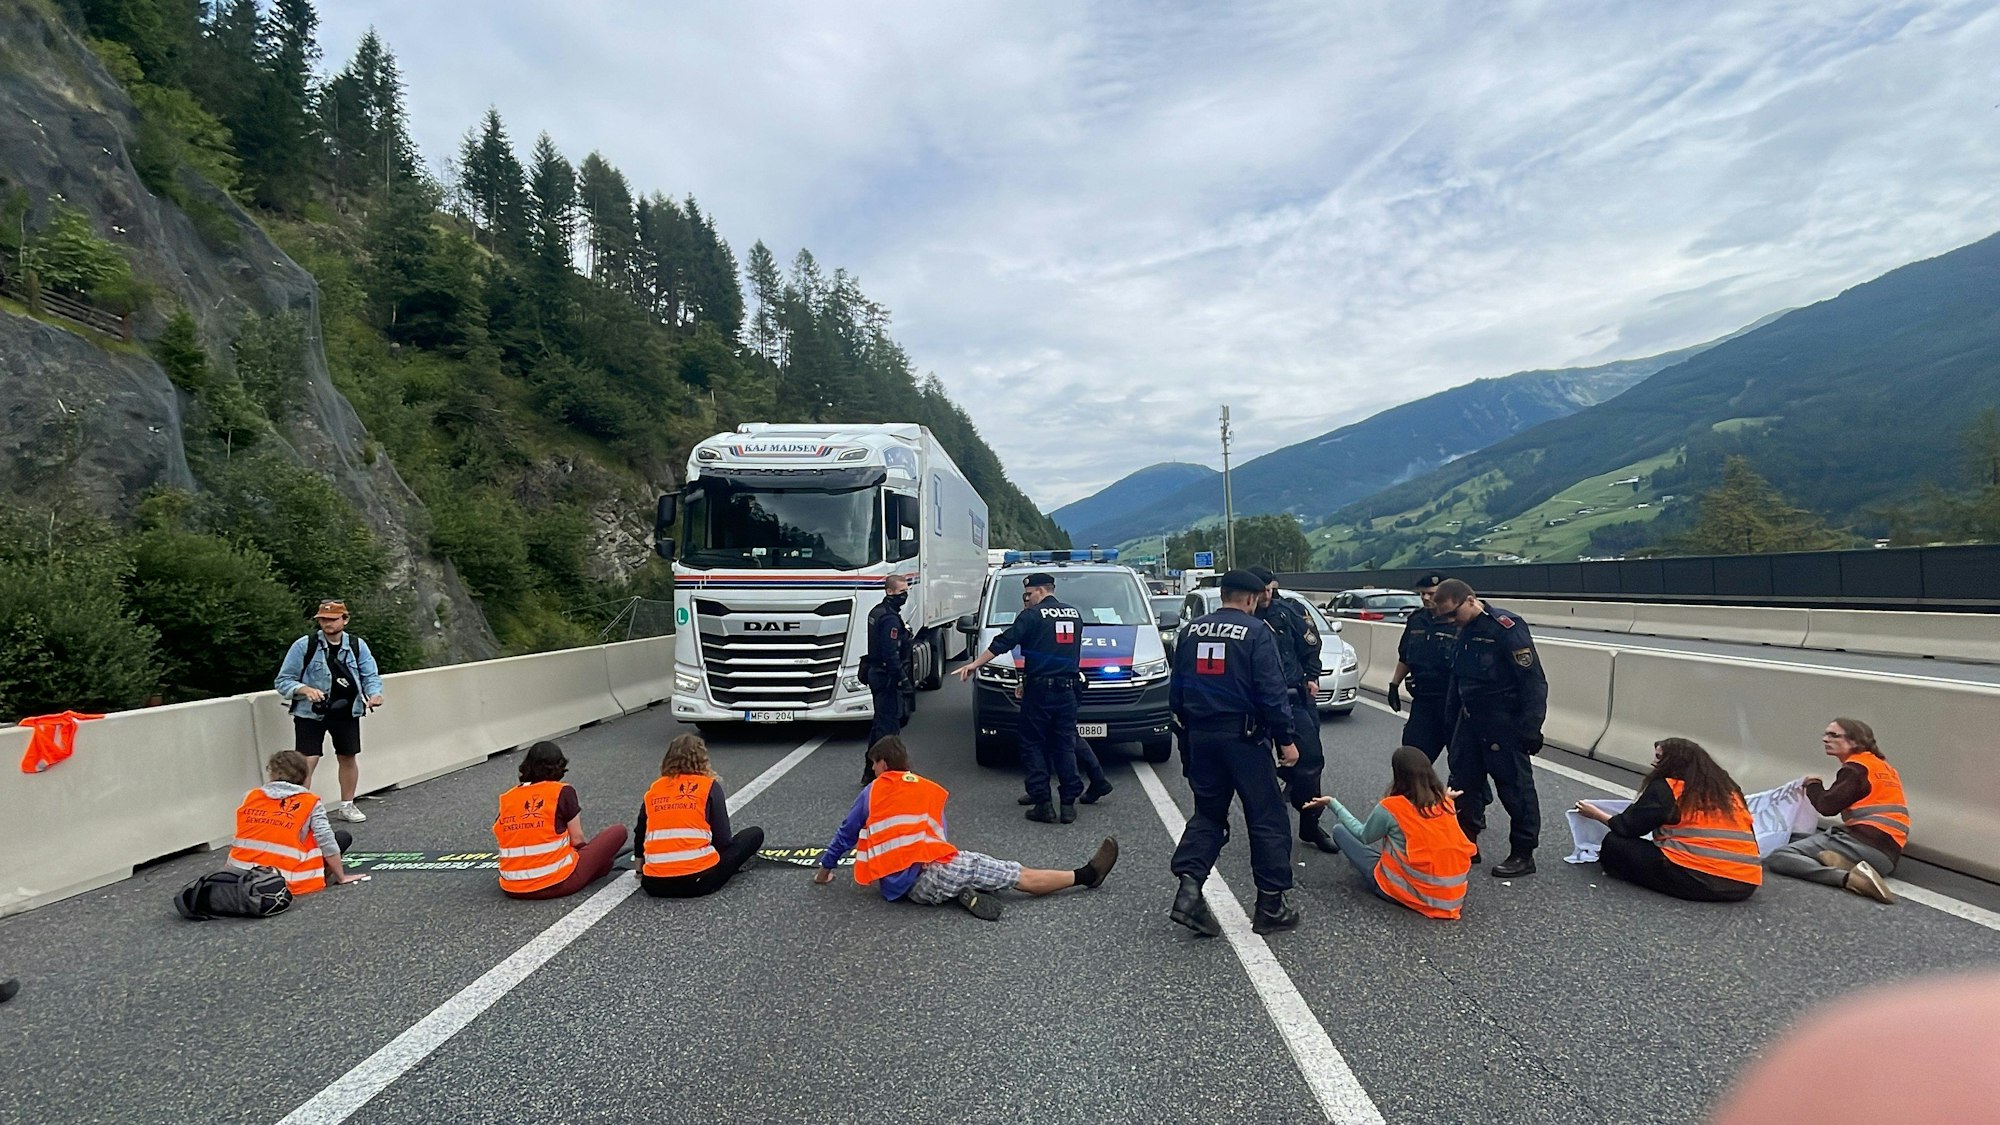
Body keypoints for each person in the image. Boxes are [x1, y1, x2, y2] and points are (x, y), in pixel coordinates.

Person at [811, 736, 1118, 920]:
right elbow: (940, 838)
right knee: (1014, 873)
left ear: (883, 763)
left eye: (873, 763)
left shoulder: (871, 792)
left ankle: (960, 891)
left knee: (975, 871)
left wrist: (824, 872)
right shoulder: (927, 789)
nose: (873, 769)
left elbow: (846, 834)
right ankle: (1086, 876)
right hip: (928, 874)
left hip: (896, 885)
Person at [1167, 569, 1304, 937]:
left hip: (1200, 736)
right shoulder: (1257, 632)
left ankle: (1189, 892)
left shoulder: (1190, 632)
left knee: (1209, 815)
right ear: (1250, 598)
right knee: (1267, 818)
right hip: (1243, 740)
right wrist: (1286, 739)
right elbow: (1271, 690)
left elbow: (1175, 690)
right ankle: (1271, 906)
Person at [1432, 578, 1547, 878]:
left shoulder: (1506, 629)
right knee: (1462, 785)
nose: (1450, 622)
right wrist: (1450, 723)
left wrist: (1531, 727)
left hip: (1503, 723)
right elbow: (1457, 682)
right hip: (1469, 721)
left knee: (1515, 789)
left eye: (1453, 614)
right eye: (1445, 618)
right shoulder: (1463, 631)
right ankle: (1467, 842)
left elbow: (1532, 681)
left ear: (1470, 600)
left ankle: (1523, 853)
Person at [957, 571, 1085, 823]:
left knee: (1033, 744)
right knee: (1064, 745)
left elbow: (1003, 642)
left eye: (1028, 594)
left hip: (1040, 692)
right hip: (1068, 690)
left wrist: (975, 665)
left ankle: (1043, 803)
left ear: (1040, 590)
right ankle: (1068, 804)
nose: (1027, 599)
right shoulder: (1074, 614)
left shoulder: (1032, 616)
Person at [1573, 737, 1761, 903]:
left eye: (1658, 757)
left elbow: (1627, 827)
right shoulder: (1729, 791)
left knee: (1615, 843)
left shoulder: (1669, 789)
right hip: (1745, 883)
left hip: (1701, 879)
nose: (1653, 762)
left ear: (1674, 762)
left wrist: (1595, 814)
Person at [1316, 745, 1476, 919]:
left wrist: (1332, 803)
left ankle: (1389, 881)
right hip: (1452, 898)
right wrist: (1446, 798)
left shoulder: (1392, 807)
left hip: (1406, 892)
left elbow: (1364, 835)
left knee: (1339, 831)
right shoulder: (1445, 803)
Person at [1763, 717, 1904, 904]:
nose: (1825, 739)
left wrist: (1813, 785)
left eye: (1833, 735)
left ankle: (1849, 878)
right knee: (1801, 840)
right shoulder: (1883, 767)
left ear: (1855, 741)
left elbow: (1827, 806)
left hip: (1860, 843)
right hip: (1887, 859)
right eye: (1825, 734)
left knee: (1780, 857)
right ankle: (1848, 865)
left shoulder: (1856, 769)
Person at [1248, 566, 1335, 854]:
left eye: (1269, 589)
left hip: (1291, 696)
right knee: (1256, 769)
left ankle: (1310, 823)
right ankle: (1268, 831)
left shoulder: (1288, 611)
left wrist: (1312, 675)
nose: (1266, 594)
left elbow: (1311, 644)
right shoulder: (1242, 618)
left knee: (1310, 760)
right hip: (1254, 702)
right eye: (1260, 590)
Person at [273, 600, 383, 824]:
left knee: (348, 756)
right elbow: (283, 681)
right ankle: (300, 809)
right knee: (306, 760)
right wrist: (304, 689)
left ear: (345, 619)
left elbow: (369, 674)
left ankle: (347, 805)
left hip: (346, 710)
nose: (327, 624)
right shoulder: (305, 645)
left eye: (332, 619)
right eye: (323, 619)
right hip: (311, 712)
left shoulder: (356, 645)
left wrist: (374, 694)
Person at [492, 741, 628, 900]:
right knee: (617, 832)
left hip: (512, 886)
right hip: (556, 883)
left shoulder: (508, 797)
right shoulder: (561, 791)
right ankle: (600, 868)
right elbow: (577, 839)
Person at [635, 733, 765, 898]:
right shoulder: (708, 786)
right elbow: (723, 840)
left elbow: (641, 831)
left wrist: (640, 870)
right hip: (699, 881)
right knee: (753, 834)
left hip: (654, 884)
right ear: (703, 759)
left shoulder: (655, 789)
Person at [228, 750, 364, 893]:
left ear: (272, 773)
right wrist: (341, 877)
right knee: (341, 837)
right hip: (287, 879)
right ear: (305, 775)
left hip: (240, 876)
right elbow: (326, 841)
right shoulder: (309, 802)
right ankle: (323, 873)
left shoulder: (250, 796)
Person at [1387, 573, 1458, 763]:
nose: (1426, 598)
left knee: (1464, 769)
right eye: (1423, 594)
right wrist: (1394, 684)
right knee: (1412, 760)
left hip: (1454, 704)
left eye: (1432, 594)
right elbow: (1406, 656)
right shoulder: (1417, 620)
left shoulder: (1461, 621)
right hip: (1424, 702)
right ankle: (1414, 793)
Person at [861, 574, 912, 778]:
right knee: (889, 728)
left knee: (879, 725)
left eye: (907, 591)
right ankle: (886, 773)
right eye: (902, 592)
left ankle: (869, 770)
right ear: (889, 592)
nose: (905, 595)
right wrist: (902, 679)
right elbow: (891, 653)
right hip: (886, 676)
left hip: (876, 673)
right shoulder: (889, 618)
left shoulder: (877, 611)